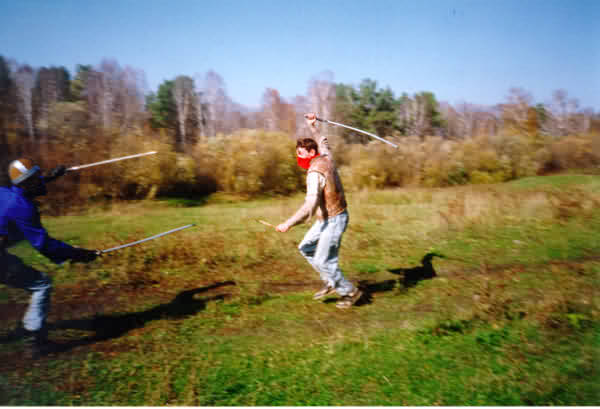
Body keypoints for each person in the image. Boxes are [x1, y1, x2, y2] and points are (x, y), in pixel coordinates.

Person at [0, 158, 98, 357]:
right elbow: (44, 244)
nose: (40, 180)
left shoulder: (4, 193)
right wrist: (76, 253)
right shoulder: (22, 207)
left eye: (39, 175)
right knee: (41, 284)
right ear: (27, 184)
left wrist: (51, 177)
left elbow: (26, 187)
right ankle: (34, 339)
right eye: (36, 178)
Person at [276, 113, 362, 309]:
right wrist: (313, 126)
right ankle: (331, 281)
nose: (298, 157)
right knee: (305, 247)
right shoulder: (326, 157)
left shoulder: (314, 173)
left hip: (335, 219)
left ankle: (350, 292)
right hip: (324, 220)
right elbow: (322, 141)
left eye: (301, 153)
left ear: (311, 152)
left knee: (324, 260)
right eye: (297, 153)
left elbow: (310, 205)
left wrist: (288, 223)